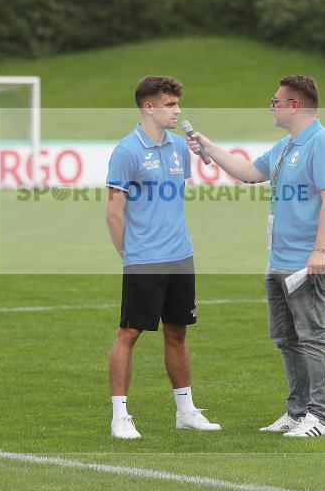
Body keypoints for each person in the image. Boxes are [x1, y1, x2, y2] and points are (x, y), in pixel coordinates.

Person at [186, 75, 325, 438]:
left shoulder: (322, 142)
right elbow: (248, 173)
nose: (270, 105)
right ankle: (297, 411)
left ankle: (320, 418)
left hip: (309, 263)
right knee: (287, 339)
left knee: (314, 337)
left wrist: (319, 250)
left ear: (295, 105)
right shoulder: (285, 147)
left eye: (275, 100)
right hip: (279, 261)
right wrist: (208, 147)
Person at [105, 75, 221, 440]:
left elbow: (171, 201)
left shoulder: (179, 148)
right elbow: (113, 212)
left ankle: (186, 411)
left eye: (177, 104)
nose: (177, 111)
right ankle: (120, 416)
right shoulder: (126, 151)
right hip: (144, 259)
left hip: (180, 256)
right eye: (170, 105)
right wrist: (129, 252)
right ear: (148, 107)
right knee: (130, 333)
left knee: (177, 333)